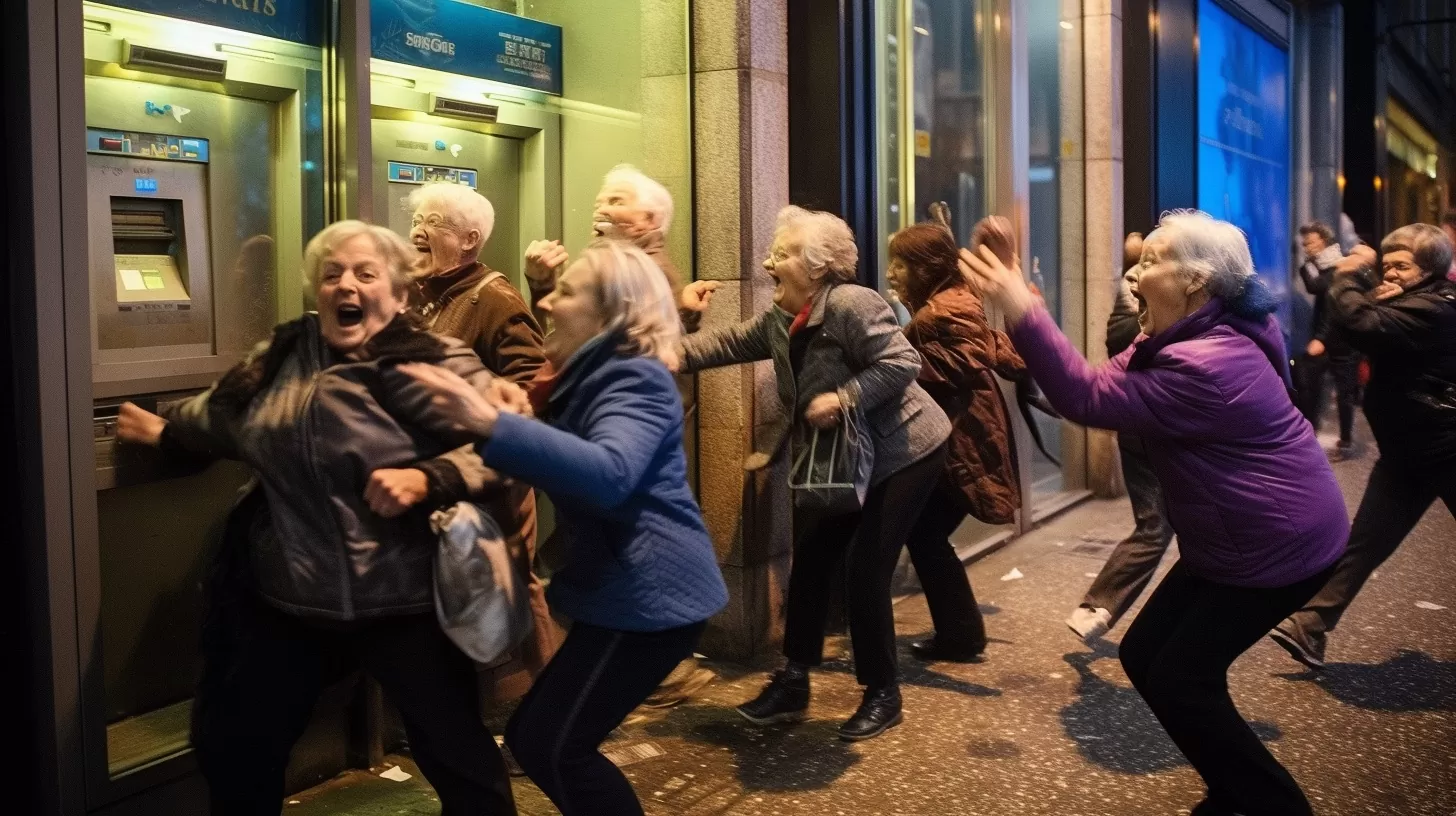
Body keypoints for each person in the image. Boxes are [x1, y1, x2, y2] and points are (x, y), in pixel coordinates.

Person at [115, 221, 518, 815]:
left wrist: (427, 477)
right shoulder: (280, 357)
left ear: (400, 294)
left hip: (402, 597)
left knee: (457, 755)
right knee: (238, 747)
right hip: (292, 594)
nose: (344, 285)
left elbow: (504, 446)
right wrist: (169, 428)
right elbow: (227, 415)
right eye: (331, 274)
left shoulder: (433, 359)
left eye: (364, 273)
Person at [961, 210, 1347, 816]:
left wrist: (1023, 311)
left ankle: (1273, 805)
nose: (1136, 272)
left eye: (1153, 260)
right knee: (1146, 658)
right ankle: (1232, 787)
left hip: (1278, 548)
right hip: (1235, 540)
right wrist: (1021, 296)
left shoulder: (1207, 364)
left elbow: (1083, 397)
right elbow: (1094, 381)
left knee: (1180, 679)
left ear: (1196, 281)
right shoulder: (1183, 335)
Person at [399, 240, 728, 816]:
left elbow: (609, 475)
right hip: (623, 596)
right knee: (540, 740)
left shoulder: (635, 379)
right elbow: (545, 441)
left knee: (553, 746)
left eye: (567, 292)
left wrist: (491, 420)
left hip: (650, 602)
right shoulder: (588, 373)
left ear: (611, 312)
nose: (548, 304)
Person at [679, 205, 952, 741]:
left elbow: (903, 363)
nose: (767, 262)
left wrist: (843, 396)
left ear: (819, 264)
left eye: (781, 254)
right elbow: (728, 343)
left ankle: (882, 692)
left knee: (865, 569)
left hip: (905, 453)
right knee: (811, 561)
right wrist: (665, 353)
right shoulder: (785, 317)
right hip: (844, 460)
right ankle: (795, 681)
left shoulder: (851, 303)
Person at [522, 164, 718, 707]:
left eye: (616, 199)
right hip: (632, 563)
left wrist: (493, 425)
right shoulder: (621, 267)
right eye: (601, 194)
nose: (601, 206)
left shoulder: (636, 274)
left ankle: (650, 675)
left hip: (642, 568)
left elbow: (645, 352)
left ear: (648, 220)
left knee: (555, 737)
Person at [384, 182, 556, 705]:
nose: (418, 228)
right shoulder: (431, 294)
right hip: (450, 477)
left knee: (515, 589)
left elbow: (531, 385)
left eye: (433, 221)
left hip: (494, 476)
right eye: (417, 217)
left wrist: (481, 426)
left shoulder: (495, 299)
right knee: (476, 591)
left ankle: (541, 714)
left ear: (469, 240)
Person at [1270, 225, 1456, 670]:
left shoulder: (1438, 307)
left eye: (1402, 265)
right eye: (1386, 264)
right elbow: (1351, 325)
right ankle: (1310, 623)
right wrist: (1359, 283)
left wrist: (1346, 274)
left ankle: (1311, 621)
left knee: (1366, 541)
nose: (1390, 272)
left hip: (1446, 448)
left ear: (1431, 270)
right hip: (1406, 451)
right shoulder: (1406, 300)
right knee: (1366, 542)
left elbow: (1361, 321)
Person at [884, 217, 1026, 662]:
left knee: (922, 534)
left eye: (900, 264)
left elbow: (964, 360)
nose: (891, 272)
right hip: (953, 438)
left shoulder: (946, 307)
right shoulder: (946, 300)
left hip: (959, 441)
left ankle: (961, 635)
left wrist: (895, 360)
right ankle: (960, 633)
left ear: (925, 268)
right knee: (922, 534)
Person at [1065, 231, 1178, 642]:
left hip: (1177, 429)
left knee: (1188, 525)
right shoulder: (1138, 292)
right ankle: (1099, 604)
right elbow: (1118, 344)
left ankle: (1105, 606)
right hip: (1144, 426)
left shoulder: (1200, 300)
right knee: (1156, 526)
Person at [1294, 221, 1362, 459]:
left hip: (1342, 339)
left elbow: (1323, 293)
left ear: (1324, 241)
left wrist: (1321, 338)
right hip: (1325, 336)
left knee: (1345, 393)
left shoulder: (1340, 267)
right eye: (1304, 244)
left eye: (1310, 242)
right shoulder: (1322, 265)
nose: (1306, 247)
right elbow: (1316, 288)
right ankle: (1306, 434)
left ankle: (1345, 442)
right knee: (1308, 384)